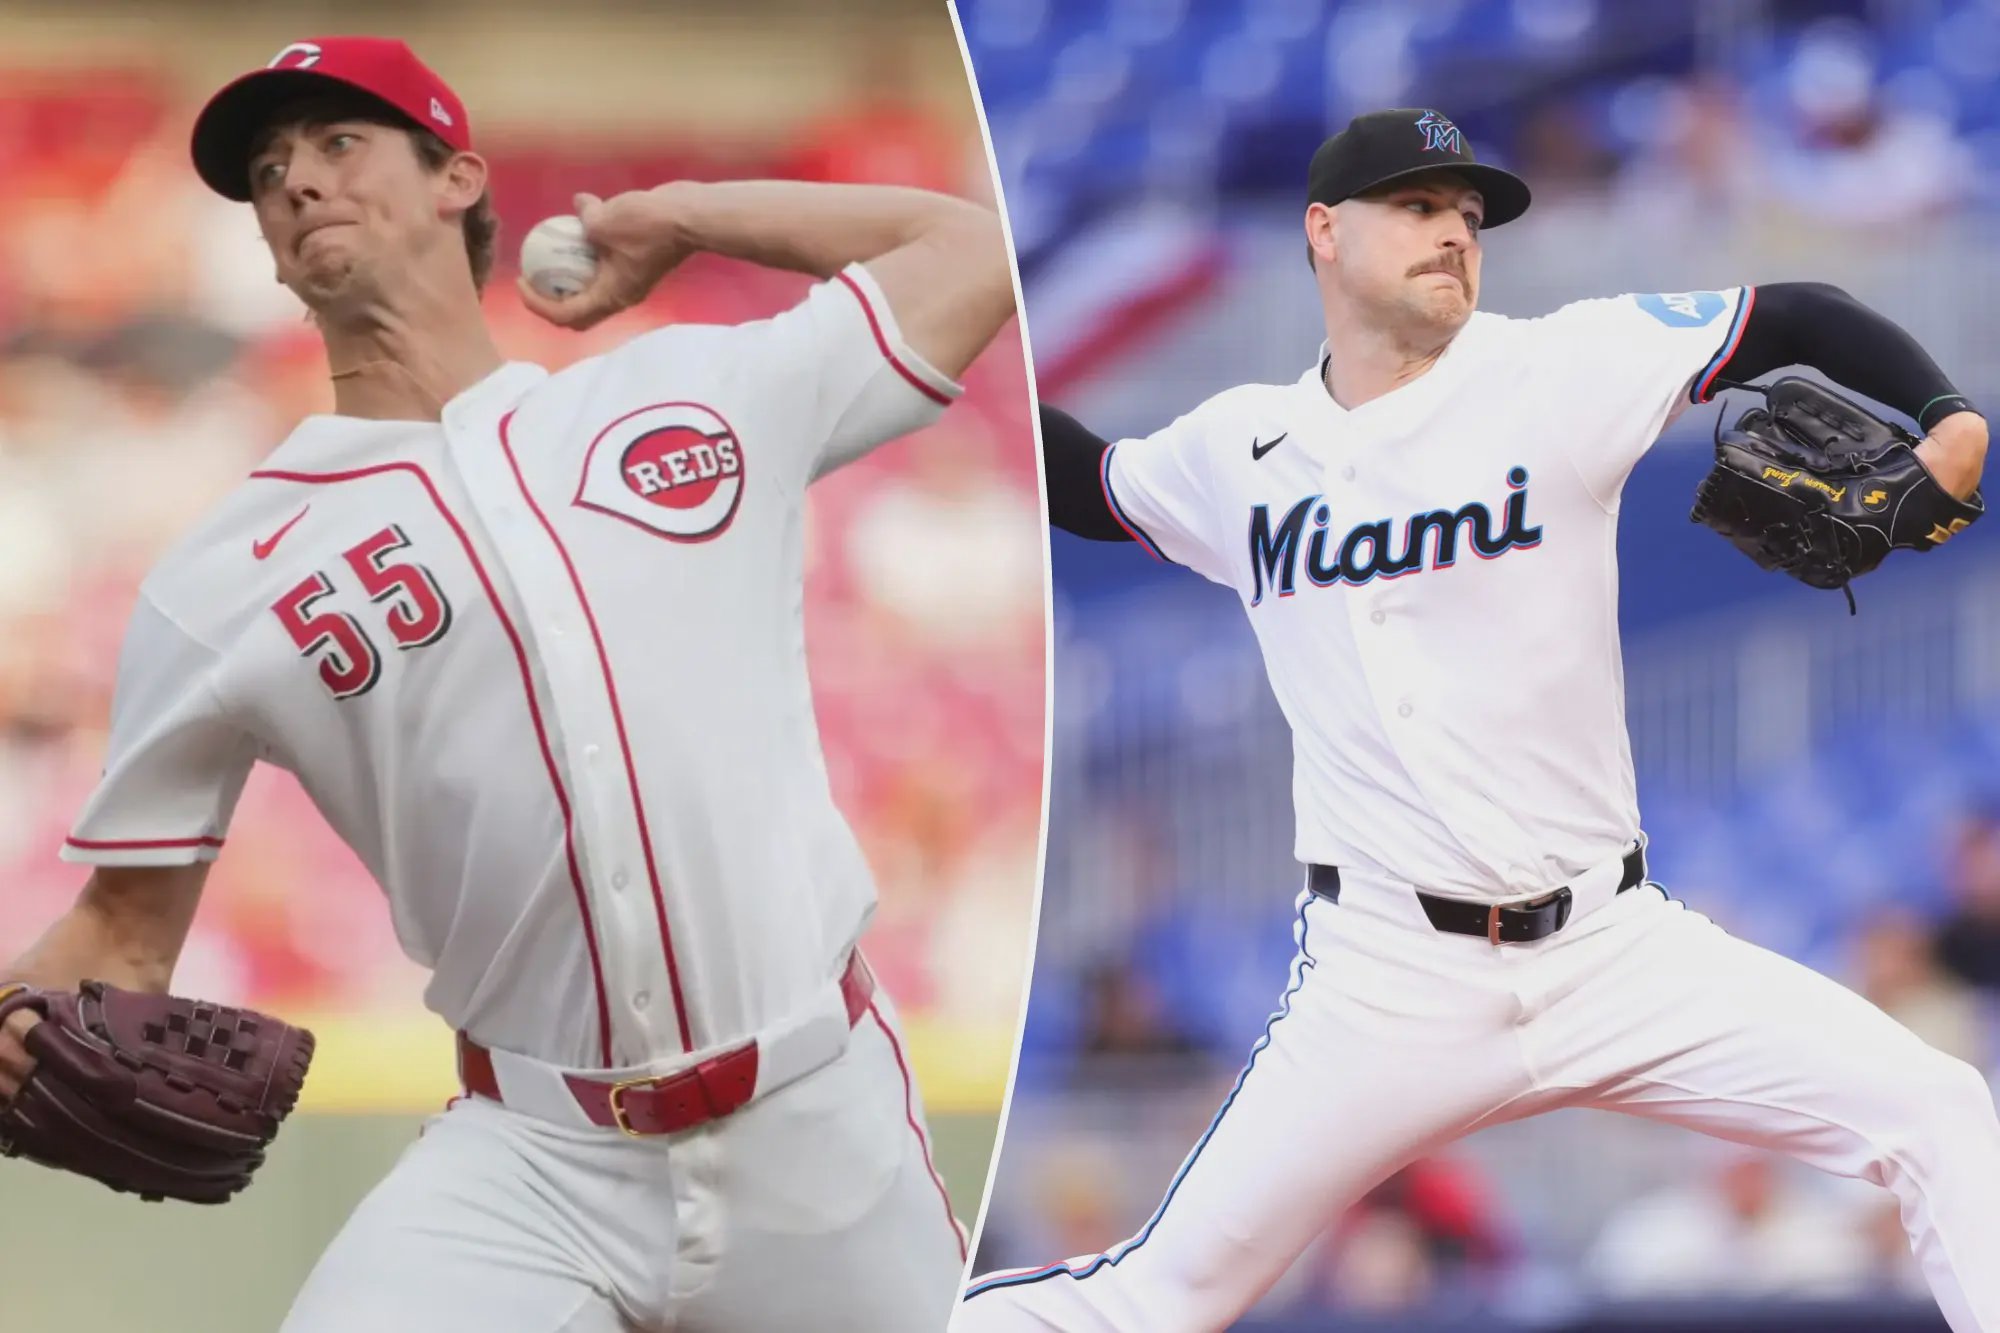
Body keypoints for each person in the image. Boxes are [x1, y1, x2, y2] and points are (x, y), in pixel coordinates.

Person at [0, 36, 1017, 1333]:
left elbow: (973, 256)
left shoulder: (690, 395)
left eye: (338, 143)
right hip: (533, 1163)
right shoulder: (220, 579)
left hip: (821, 1122)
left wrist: (687, 216)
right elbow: (118, 938)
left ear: (456, 179)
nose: (298, 181)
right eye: (267, 170)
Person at [956, 107, 2000, 1332]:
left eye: (1467, 215)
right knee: (1156, 1296)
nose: (1452, 232)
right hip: (1386, 979)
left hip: (1611, 949)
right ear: (1322, 232)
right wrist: (947, 363)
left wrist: (1949, 417)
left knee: (1936, 1111)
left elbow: (1794, 316)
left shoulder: (1558, 366)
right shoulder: (1235, 451)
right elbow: (1085, 487)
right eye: (1416, 206)